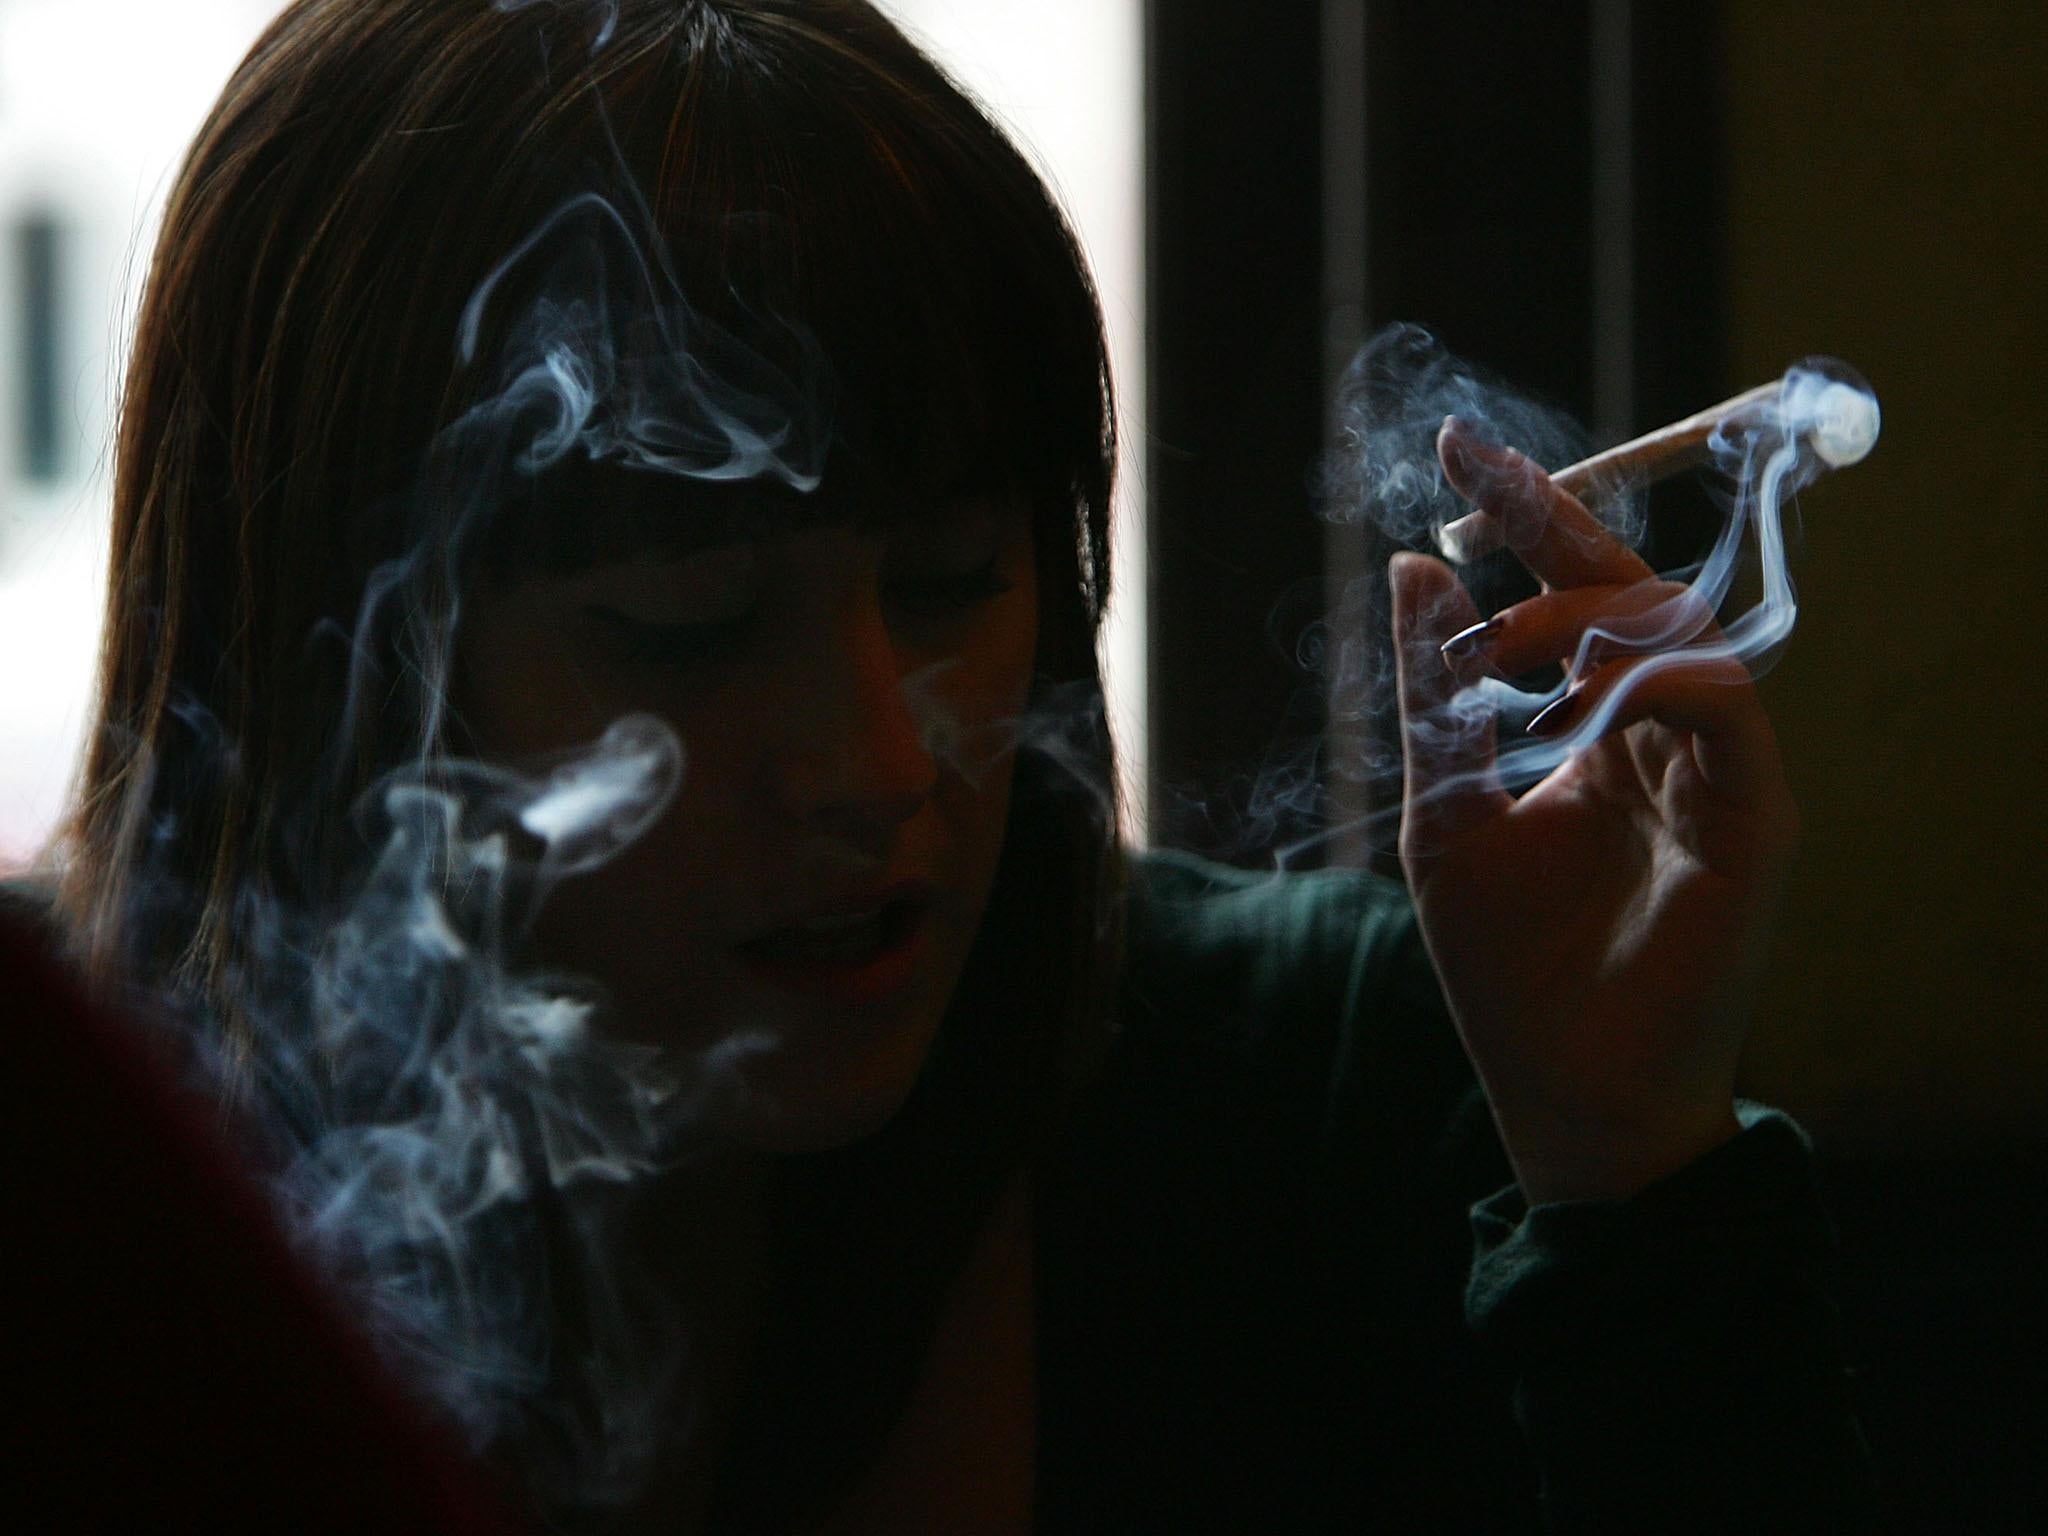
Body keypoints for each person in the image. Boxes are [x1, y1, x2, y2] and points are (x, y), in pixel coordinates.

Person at [44, 1, 1875, 1530]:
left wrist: (1627, 1180)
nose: (872, 761)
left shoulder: (1335, 1097)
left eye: (947, 582)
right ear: (325, 660)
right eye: (684, 624)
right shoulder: (87, 1181)